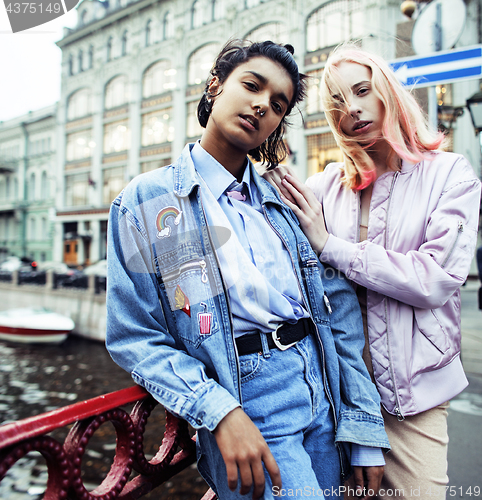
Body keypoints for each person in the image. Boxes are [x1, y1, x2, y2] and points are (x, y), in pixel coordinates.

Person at [105, 39, 389, 500]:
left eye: (277, 105)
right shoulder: (150, 202)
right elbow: (134, 335)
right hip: (248, 399)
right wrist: (217, 410)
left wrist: (362, 424)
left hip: (321, 389)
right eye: (252, 85)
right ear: (215, 86)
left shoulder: (283, 200)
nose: (262, 106)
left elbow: (336, 312)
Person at [263, 43, 481, 499]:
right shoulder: (326, 187)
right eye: (337, 103)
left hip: (412, 403)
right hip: (337, 400)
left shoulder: (450, 174)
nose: (352, 110)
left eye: (362, 91)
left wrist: (332, 246)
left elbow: (434, 279)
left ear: (388, 92)